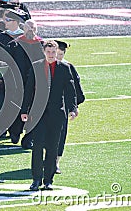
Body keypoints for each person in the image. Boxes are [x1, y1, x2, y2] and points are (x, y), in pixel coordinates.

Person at [21, 40, 78, 191]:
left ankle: (48, 180)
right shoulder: (36, 66)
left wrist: (73, 108)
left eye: (54, 52)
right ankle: (36, 180)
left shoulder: (65, 68)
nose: (51, 55)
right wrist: (24, 110)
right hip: (38, 114)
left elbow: (70, 90)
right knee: (37, 147)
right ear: (44, 52)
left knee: (52, 147)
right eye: (49, 52)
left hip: (57, 113)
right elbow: (29, 90)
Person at [6, 19, 44, 146]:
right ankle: (15, 131)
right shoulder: (15, 44)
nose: (31, 31)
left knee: (34, 110)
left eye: (33, 28)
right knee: (16, 107)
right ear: (23, 29)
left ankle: (29, 138)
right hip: (18, 82)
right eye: (28, 28)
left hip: (35, 84)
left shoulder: (42, 44)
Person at [55, 40, 85, 174]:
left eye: (61, 54)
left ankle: (55, 162)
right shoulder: (42, 66)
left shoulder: (68, 67)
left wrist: (74, 106)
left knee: (61, 135)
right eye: (57, 54)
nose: (58, 57)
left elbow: (74, 89)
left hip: (62, 107)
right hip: (45, 106)